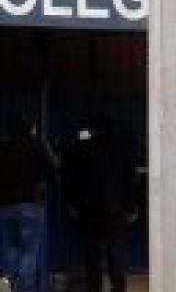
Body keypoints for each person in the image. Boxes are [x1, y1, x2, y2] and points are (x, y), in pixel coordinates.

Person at [62, 116, 138, 292]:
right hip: (115, 208)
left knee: (93, 252)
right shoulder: (121, 149)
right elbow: (129, 180)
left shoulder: (83, 149)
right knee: (115, 251)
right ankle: (118, 286)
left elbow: (72, 177)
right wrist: (131, 207)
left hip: (90, 209)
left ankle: (94, 287)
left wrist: (71, 202)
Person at [0, 114, 58, 292]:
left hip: (5, 207)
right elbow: (53, 169)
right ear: (29, 128)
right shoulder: (36, 146)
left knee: (9, 251)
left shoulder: (3, 148)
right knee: (29, 253)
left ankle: (7, 284)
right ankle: (23, 289)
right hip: (30, 205)